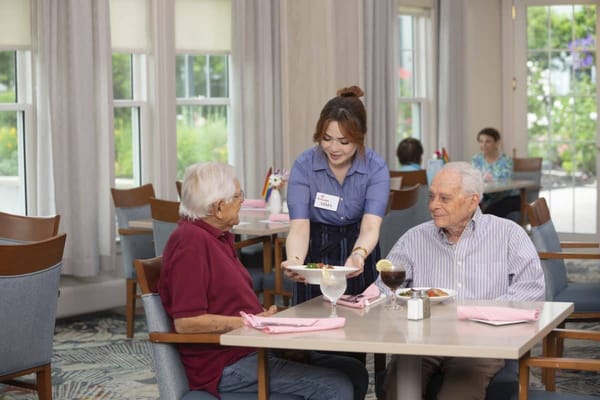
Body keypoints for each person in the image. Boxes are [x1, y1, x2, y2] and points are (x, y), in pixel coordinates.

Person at [158, 162, 369, 400]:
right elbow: (187, 322)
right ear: (218, 208)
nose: (243, 201)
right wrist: (251, 322)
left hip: (252, 347)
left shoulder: (217, 236)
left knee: (353, 370)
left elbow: (231, 303)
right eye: (239, 196)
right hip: (225, 364)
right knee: (335, 386)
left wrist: (270, 322)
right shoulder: (190, 242)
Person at [377, 161, 545, 400]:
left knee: (457, 394)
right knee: (401, 387)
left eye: (444, 198)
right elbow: (383, 289)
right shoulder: (413, 239)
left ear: (472, 201)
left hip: (481, 343)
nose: (434, 206)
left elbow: (531, 293)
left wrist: (477, 316)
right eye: (432, 197)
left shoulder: (509, 235)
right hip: (422, 341)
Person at [282, 85, 390, 306]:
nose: (333, 148)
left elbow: (370, 227)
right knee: (310, 321)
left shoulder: (376, 168)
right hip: (315, 251)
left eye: (344, 142)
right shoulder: (304, 166)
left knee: (360, 326)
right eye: (326, 138)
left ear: (359, 138)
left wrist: (358, 255)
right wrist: (295, 261)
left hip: (359, 250)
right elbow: (299, 228)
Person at [471, 127, 520, 217]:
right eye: (481, 141)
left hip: (507, 198)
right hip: (485, 198)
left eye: (488, 141)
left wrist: (484, 178)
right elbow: (474, 178)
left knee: (485, 216)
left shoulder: (506, 160)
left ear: (497, 142)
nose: (483, 145)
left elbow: (503, 181)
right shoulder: (476, 159)